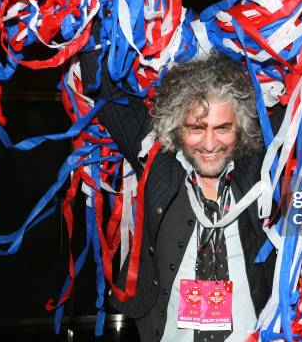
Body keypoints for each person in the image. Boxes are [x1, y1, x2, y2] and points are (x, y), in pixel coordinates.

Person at [80, 52, 282, 341]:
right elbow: (109, 93)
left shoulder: (259, 167)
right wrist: (90, 18)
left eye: (222, 128)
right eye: (196, 129)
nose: (210, 144)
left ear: (241, 127)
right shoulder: (159, 162)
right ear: (177, 126)